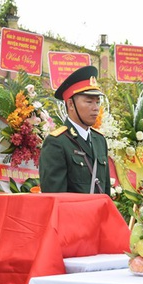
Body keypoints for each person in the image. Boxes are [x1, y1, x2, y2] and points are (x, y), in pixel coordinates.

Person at [39, 66, 111, 195]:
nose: (96, 108)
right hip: (72, 215)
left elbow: (105, 192)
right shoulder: (57, 142)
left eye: (97, 102)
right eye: (89, 102)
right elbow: (54, 197)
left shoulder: (99, 140)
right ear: (71, 104)